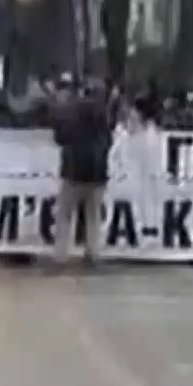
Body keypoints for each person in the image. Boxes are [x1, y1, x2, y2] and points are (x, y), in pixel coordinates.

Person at [52, 80, 113, 264]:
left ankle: (61, 255)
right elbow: (108, 141)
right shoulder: (102, 115)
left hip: (73, 171)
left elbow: (60, 138)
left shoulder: (70, 113)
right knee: (93, 217)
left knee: (65, 216)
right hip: (97, 173)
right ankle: (93, 254)